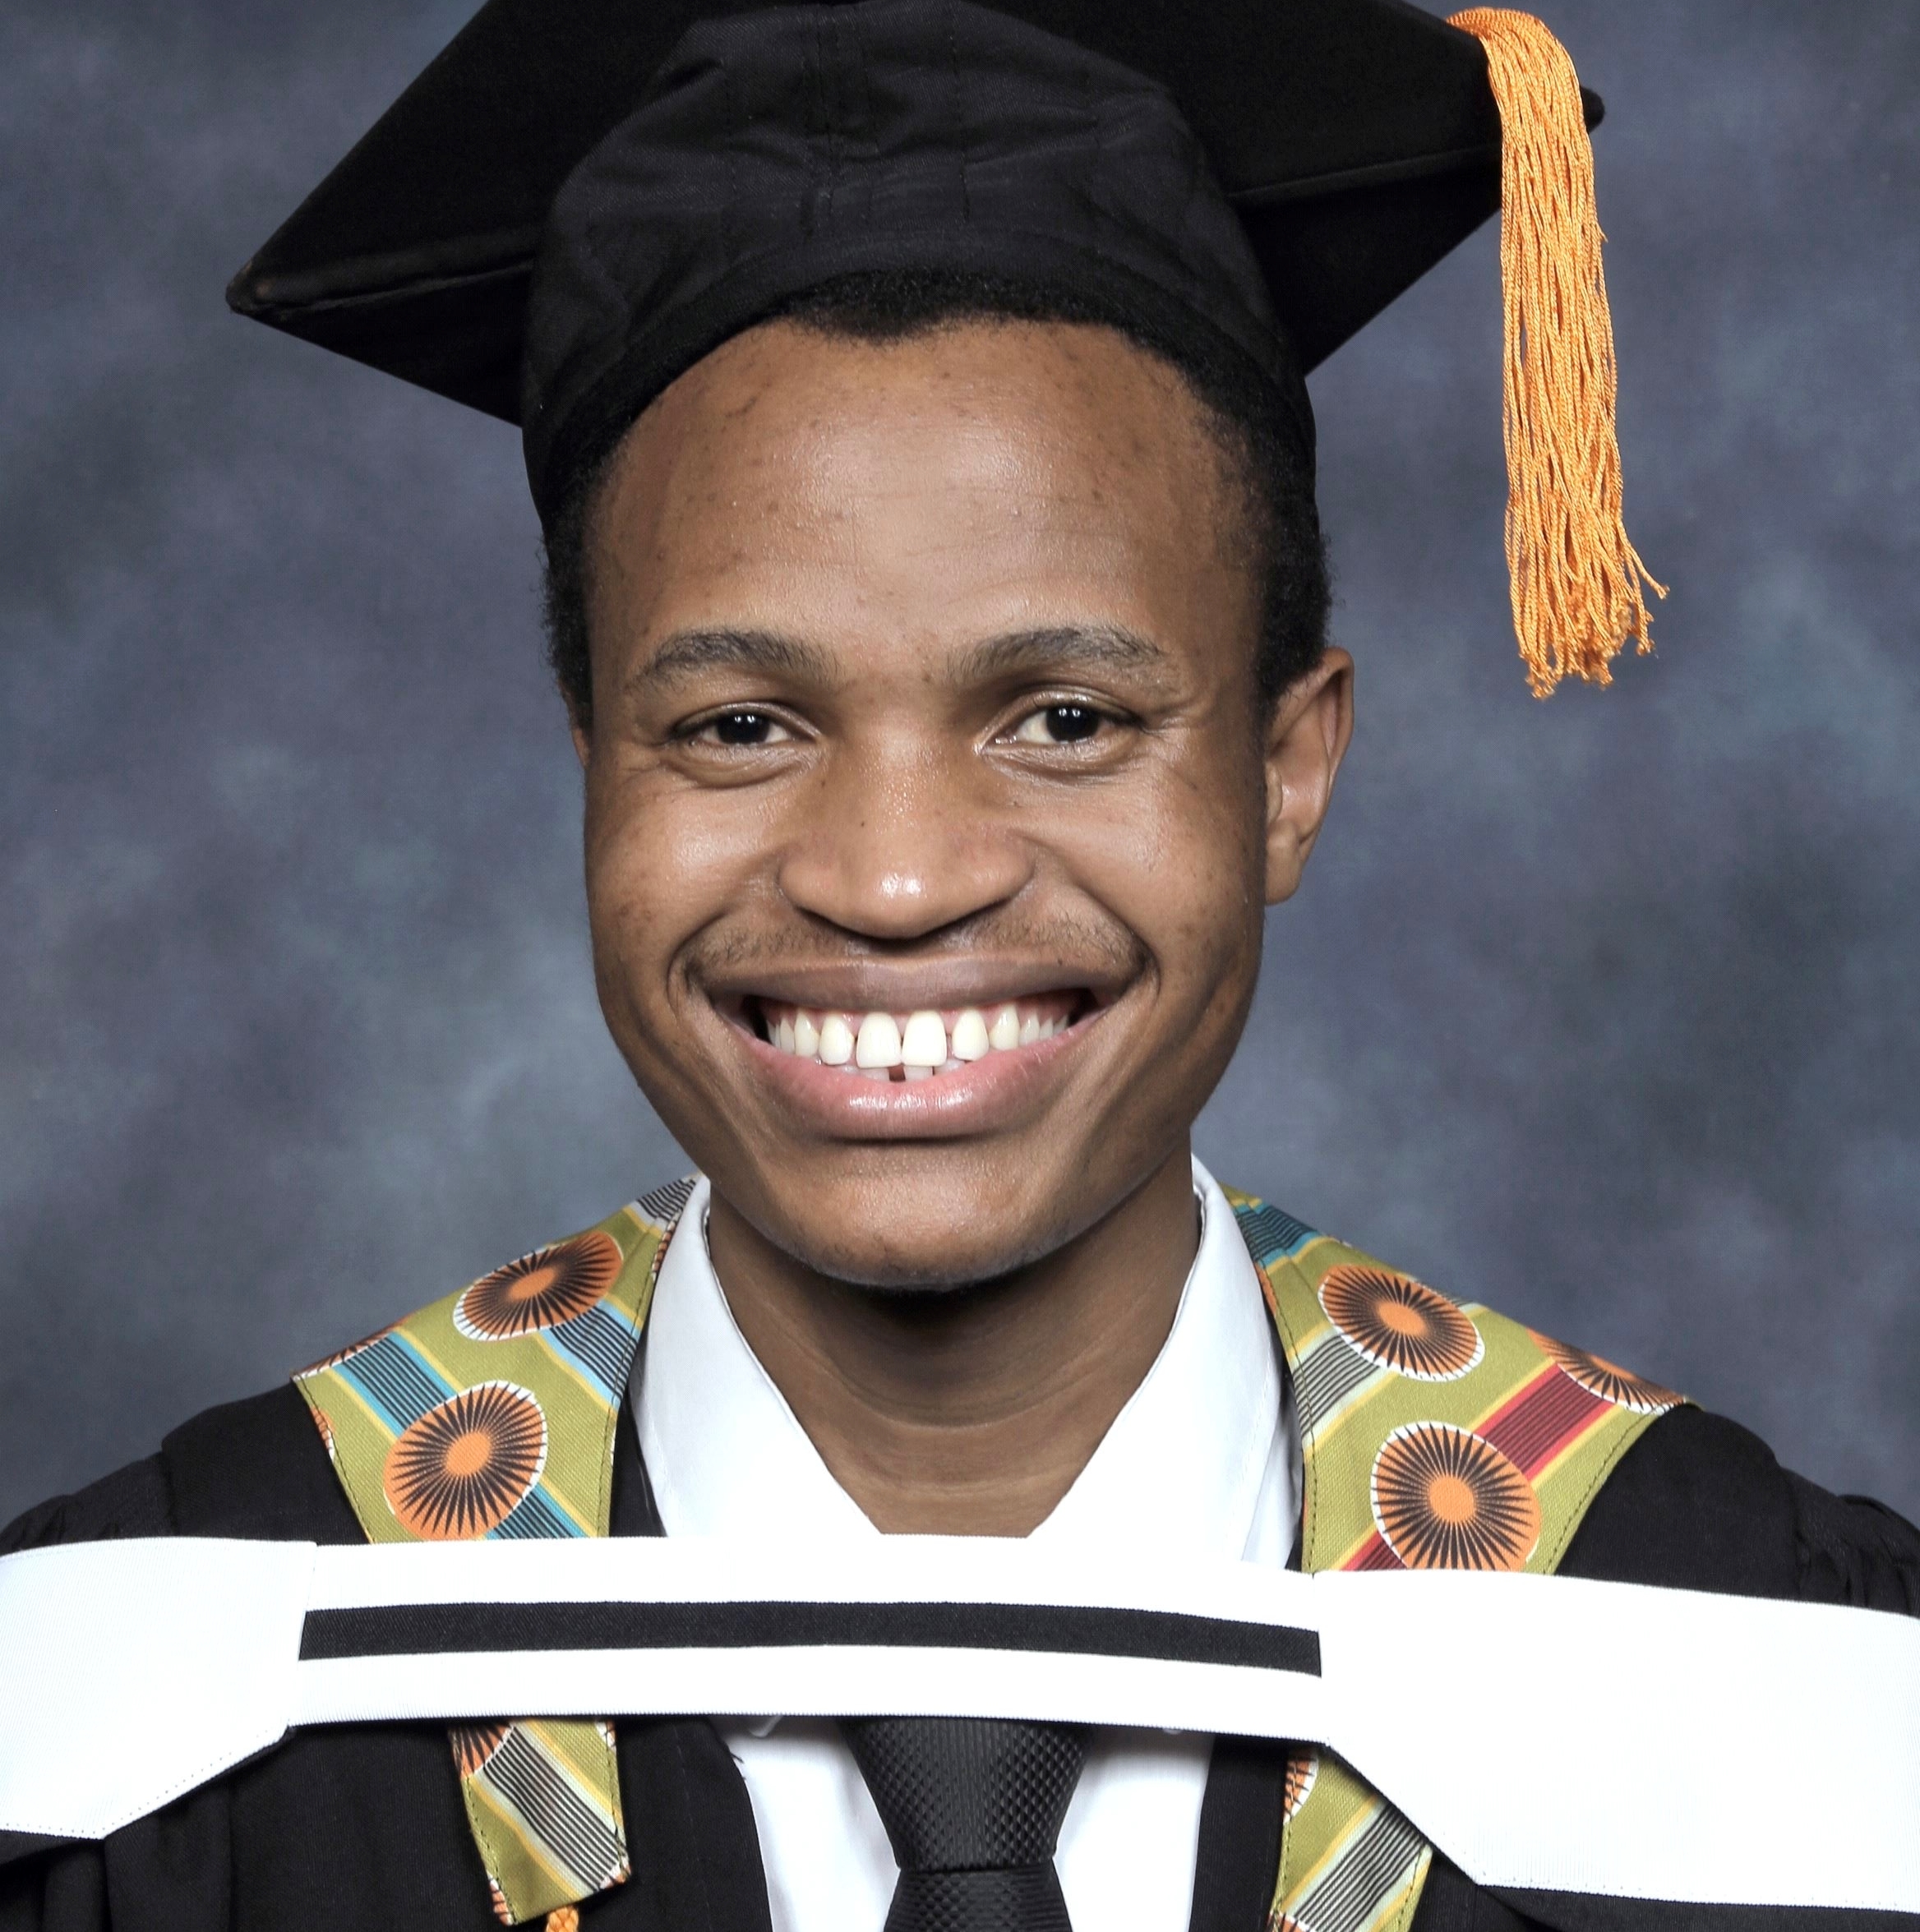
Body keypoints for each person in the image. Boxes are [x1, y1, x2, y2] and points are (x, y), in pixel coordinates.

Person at [2, 2, 1914, 1929]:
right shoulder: (143, 1722)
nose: (895, 878)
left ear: (1285, 771)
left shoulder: (1773, 1694)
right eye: (740, 727)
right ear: (594, 770)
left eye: (1066, 717)